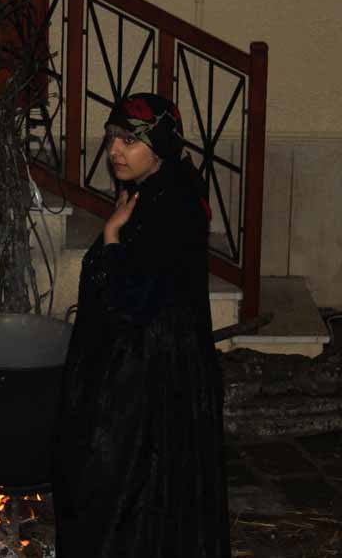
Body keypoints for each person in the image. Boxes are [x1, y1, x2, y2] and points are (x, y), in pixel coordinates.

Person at [52, 93, 230, 557]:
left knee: (131, 485)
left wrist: (112, 237)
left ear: (160, 145)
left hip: (153, 373)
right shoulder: (153, 189)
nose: (114, 150)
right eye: (113, 137)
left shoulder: (171, 206)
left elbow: (134, 298)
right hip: (142, 360)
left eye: (129, 141)